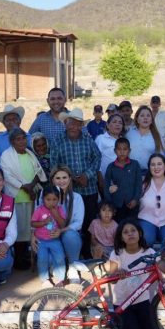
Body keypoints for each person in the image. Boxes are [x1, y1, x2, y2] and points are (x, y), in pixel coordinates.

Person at [105, 220, 165, 329]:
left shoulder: (149, 253)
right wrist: (117, 273)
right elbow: (112, 279)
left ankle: (134, 323)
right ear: (121, 237)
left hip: (142, 301)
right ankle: (118, 322)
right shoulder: (117, 254)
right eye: (125, 232)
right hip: (122, 304)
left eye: (133, 230)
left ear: (140, 233)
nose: (130, 234)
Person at [50, 109, 101, 258]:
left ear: (81, 126)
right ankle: (70, 254)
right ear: (65, 123)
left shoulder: (87, 139)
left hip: (88, 188)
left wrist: (87, 175)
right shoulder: (58, 140)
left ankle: (86, 253)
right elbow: (54, 164)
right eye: (71, 123)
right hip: (66, 191)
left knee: (87, 223)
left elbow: (97, 158)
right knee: (68, 221)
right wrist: (69, 179)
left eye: (78, 124)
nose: (74, 127)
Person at [0, 127, 48, 269]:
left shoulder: (29, 153)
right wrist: (25, 188)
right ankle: (19, 261)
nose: (21, 141)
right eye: (17, 139)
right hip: (17, 198)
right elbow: (7, 175)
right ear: (12, 141)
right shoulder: (6, 156)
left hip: (32, 197)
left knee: (31, 229)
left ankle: (31, 258)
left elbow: (38, 171)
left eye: (23, 138)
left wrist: (32, 186)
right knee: (19, 230)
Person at [32, 165, 85, 282]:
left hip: (66, 235)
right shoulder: (43, 196)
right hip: (48, 236)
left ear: (70, 179)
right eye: (58, 178)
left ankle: (72, 266)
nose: (61, 181)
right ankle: (55, 266)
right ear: (52, 180)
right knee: (46, 257)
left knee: (70, 235)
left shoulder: (76, 198)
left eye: (64, 177)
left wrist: (61, 231)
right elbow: (35, 219)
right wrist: (33, 235)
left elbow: (78, 224)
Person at [138, 154, 165, 251]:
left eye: (159, 164)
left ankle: (158, 244)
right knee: (146, 240)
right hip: (147, 220)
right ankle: (154, 241)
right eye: (153, 165)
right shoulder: (143, 184)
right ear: (149, 167)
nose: (156, 167)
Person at [30, 185, 67, 287]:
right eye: (48, 199)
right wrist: (44, 222)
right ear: (43, 199)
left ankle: (60, 279)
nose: (51, 202)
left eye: (54, 199)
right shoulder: (39, 210)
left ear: (58, 199)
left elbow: (63, 224)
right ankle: (44, 279)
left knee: (59, 258)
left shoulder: (59, 209)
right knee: (42, 259)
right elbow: (33, 223)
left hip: (55, 240)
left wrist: (55, 214)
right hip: (41, 241)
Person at [103, 138, 142, 222]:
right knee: (118, 227)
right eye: (119, 149)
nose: (122, 152)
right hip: (116, 205)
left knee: (132, 225)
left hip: (132, 203)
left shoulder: (135, 165)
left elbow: (139, 184)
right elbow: (106, 186)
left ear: (129, 150)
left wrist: (135, 199)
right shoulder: (111, 167)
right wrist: (110, 205)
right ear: (115, 151)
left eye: (125, 149)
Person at [125, 105, 165, 173]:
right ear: (137, 119)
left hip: (149, 173)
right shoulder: (129, 133)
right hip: (129, 171)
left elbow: (161, 156)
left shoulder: (157, 136)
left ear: (152, 120)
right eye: (142, 116)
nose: (145, 118)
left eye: (148, 116)